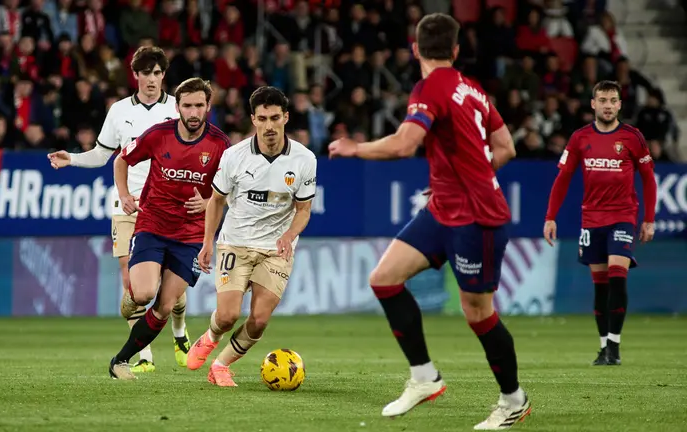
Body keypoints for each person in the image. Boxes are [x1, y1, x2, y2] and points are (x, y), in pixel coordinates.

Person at [328, 13, 530, 430]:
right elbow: (505, 147)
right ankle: (424, 377)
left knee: (477, 312)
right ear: (456, 51)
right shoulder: (472, 88)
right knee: (384, 278)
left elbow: (405, 143)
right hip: (444, 210)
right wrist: (464, 176)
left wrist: (354, 148)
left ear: (415, 49)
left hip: (478, 216)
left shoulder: (430, 88)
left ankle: (514, 400)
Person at [48, 47, 198, 373]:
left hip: (169, 204)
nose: (152, 79)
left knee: (171, 283)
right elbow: (103, 155)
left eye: (158, 73)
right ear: (136, 75)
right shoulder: (118, 111)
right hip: (127, 203)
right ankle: (143, 356)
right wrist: (71, 158)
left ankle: (180, 331)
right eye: (146, 73)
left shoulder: (178, 108)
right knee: (133, 284)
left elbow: (194, 155)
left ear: (163, 76)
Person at [186, 86, 317, 387]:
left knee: (259, 319)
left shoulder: (304, 159)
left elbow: (304, 209)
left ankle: (220, 366)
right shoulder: (234, 156)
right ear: (253, 120)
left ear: (285, 117)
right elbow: (216, 201)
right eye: (262, 118)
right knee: (228, 315)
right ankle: (210, 336)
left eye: (275, 118)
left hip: (275, 249)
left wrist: (289, 235)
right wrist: (207, 242)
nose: (269, 126)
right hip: (236, 242)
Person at [107, 77, 230, 380]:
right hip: (152, 225)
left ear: (208, 107)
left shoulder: (220, 145)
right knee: (145, 293)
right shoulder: (159, 135)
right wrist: (123, 194)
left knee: (164, 306)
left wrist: (211, 204)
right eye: (187, 105)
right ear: (177, 107)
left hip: (189, 236)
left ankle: (119, 361)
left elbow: (229, 191)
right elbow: (122, 160)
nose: (193, 112)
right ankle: (136, 294)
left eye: (199, 105)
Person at [544, 80, 656, 366]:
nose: (608, 105)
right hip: (591, 219)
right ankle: (604, 346)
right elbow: (563, 178)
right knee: (601, 286)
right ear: (593, 104)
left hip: (623, 216)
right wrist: (550, 217)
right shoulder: (580, 137)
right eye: (602, 100)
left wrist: (648, 219)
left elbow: (648, 179)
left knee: (618, 277)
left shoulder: (632, 137)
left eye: (613, 100)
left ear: (619, 104)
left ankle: (615, 348)